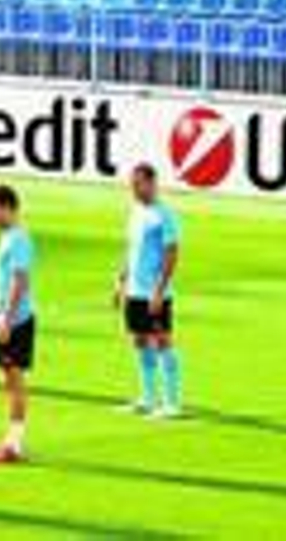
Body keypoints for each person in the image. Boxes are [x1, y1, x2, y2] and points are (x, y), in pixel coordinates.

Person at [116, 164, 183, 418]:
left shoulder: (164, 215)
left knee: (163, 340)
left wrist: (159, 290)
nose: (133, 189)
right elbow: (131, 249)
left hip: (155, 292)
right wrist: (121, 281)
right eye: (131, 184)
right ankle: (147, 398)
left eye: (138, 184)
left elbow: (172, 254)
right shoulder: (135, 211)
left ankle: (173, 402)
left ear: (152, 183)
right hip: (135, 289)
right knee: (139, 340)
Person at [0, 185, 36, 463]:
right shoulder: (8, 238)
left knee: (14, 380)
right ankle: (13, 437)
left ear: (8, 208)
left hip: (15, 320)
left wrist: (6, 319)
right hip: (4, 317)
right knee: (8, 379)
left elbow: (19, 281)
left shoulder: (18, 239)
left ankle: (14, 444)